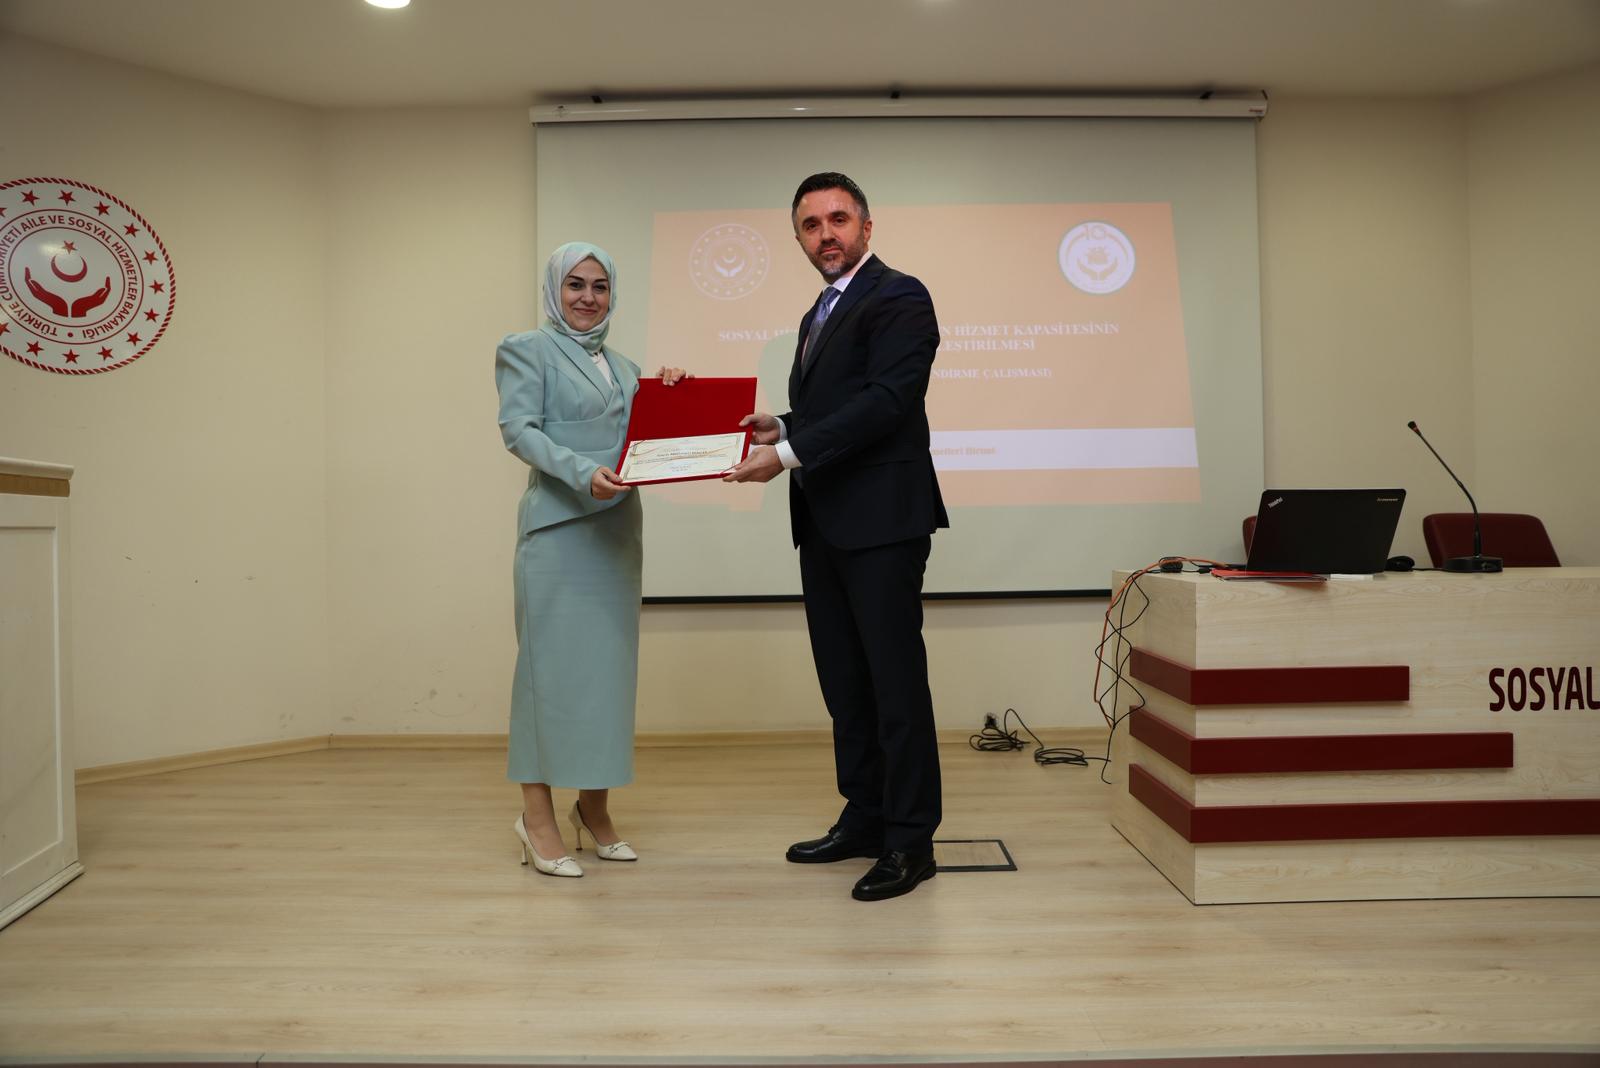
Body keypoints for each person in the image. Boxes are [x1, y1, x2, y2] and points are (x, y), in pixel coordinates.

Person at [724, 172, 947, 901]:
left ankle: (910, 842)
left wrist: (787, 454)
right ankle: (866, 816)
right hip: (823, 521)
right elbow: (836, 407)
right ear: (798, 238)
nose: (826, 234)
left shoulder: (900, 296)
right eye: (811, 224)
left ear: (866, 227)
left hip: (882, 522)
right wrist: (783, 425)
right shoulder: (817, 313)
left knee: (894, 685)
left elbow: (886, 402)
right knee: (846, 685)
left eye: (839, 219)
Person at [496, 241, 686, 878]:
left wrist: (670, 395)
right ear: (555, 290)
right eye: (575, 284)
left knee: (608, 677)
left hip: (616, 535)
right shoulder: (527, 348)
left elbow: (646, 443)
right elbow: (519, 430)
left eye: (600, 286)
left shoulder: (627, 367)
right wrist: (583, 472)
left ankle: (594, 811)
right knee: (546, 678)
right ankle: (536, 819)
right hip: (557, 533)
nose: (587, 297)